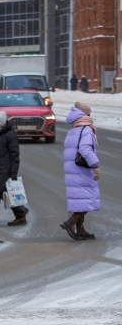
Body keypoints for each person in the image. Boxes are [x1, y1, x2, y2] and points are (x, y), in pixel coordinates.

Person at [60, 102, 100, 241]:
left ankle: (80, 228)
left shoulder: (74, 129)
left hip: (73, 169)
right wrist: (95, 165)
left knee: (80, 199)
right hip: (82, 169)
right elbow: (85, 149)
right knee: (89, 198)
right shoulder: (86, 129)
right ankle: (71, 222)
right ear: (86, 115)